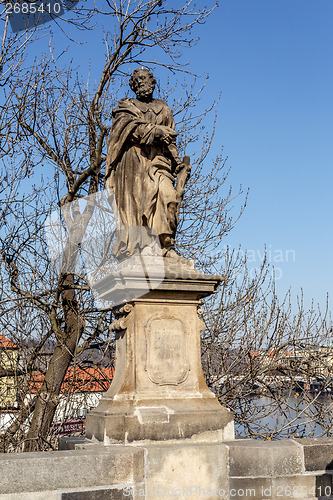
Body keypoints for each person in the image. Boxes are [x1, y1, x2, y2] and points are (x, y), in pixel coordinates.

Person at [105, 68, 190, 260]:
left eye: (144, 79)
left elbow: (171, 140)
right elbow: (127, 129)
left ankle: (166, 246)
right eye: (137, 81)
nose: (141, 83)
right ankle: (139, 249)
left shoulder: (164, 108)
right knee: (138, 205)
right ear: (133, 86)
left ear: (152, 82)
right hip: (134, 165)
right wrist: (155, 131)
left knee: (169, 198)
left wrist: (178, 164)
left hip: (159, 162)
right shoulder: (126, 107)